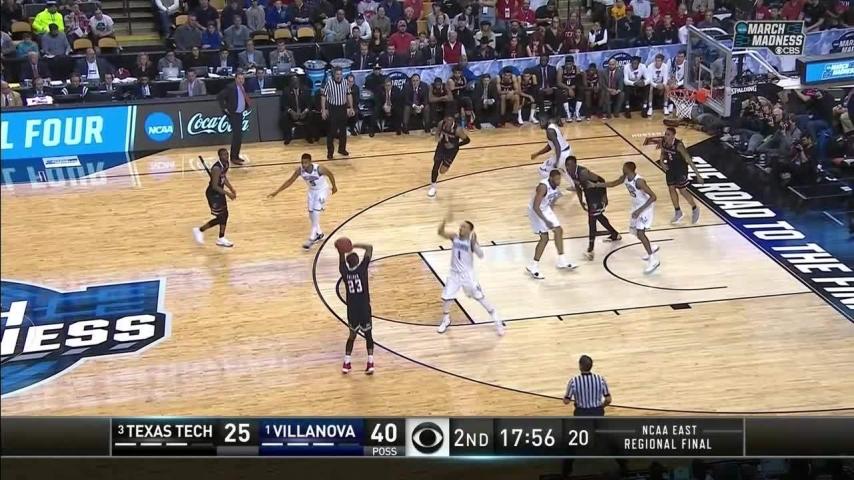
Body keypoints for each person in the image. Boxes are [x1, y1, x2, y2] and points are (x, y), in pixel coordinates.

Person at [435, 217, 503, 336]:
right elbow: (440, 232)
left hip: (467, 275)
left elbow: (481, 255)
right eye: (460, 226)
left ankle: (497, 319)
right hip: (454, 274)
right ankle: (446, 320)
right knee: (447, 297)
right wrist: (444, 221)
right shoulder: (454, 237)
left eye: (464, 227)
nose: (460, 228)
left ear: (470, 230)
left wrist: (475, 244)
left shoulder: (471, 242)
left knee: (479, 297)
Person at [267, 153, 338, 249]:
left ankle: (312, 238)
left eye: (306, 163)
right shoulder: (300, 170)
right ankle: (319, 233)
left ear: (310, 162)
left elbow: (330, 174)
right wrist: (277, 192)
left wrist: (334, 187)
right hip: (312, 191)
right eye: (302, 162)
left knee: (316, 212)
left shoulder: (319, 169)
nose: (304, 165)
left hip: (322, 190)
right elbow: (290, 181)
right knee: (311, 214)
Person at [600, 161, 660, 273]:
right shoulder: (625, 177)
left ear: (629, 169)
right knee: (635, 231)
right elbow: (613, 184)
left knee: (640, 233)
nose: (622, 169)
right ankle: (650, 247)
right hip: (636, 206)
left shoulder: (639, 181)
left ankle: (653, 260)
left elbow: (653, 197)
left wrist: (639, 210)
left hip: (645, 207)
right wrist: (596, 185)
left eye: (624, 167)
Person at [527, 169, 576, 279]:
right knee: (544, 238)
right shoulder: (543, 187)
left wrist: (551, 217)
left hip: (545, 209)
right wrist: (546, 221)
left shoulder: (556, 189)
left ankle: (561, 260)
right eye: (556, 179)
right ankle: (533, 266)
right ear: (550, 178)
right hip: (535, 211)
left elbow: (551, 202)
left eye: (559, 179)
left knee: (559, 230)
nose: (559, 181)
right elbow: (535, 207)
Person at [338, 241, 375, 374]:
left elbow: (341, 256)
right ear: (358, 261)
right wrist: (354, 245)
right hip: (364, 308)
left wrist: (342, 249)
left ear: (348, 263)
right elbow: (369, 247)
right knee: (368, 335)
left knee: (352, 336)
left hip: (352, 310)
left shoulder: (344, 272)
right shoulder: (362, 269)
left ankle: (346, 363)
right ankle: (370, 363)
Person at [193, 148, 237, 248]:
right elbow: (214, 186)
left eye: (227, 154)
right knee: (220, 217)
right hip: (213, 194)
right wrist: (228, 194)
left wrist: (231, 188)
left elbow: (223, 177)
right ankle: (199, 230)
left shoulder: (226, 164)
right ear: (219, 156)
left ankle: (221, 238)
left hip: (220, 192)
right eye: (224, 155)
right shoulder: (216, 168)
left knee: (225, 215)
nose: (226, 156)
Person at [660, 126, 702, 224]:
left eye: (668, 134)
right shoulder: (663, 142)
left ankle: (695, 208)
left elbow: (688, 159)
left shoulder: (679, 145)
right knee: (671, 189)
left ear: (673, 136)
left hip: (681, 169)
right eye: (665, 134)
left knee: (682, 190)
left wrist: (698, 175)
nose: (666, 136)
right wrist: (662, 162)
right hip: (670, 168)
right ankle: (678, 212)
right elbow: (662, 153)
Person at [427, 114, 470, 197]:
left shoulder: (458, 130)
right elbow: (437, 132)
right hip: (441, 146)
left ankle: (446, 165)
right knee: (436, 164)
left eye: (450, 120)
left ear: (453, 120)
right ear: (445, 119)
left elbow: (467, 140)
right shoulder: (441, 123)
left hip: (452, 151)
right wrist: (437, 138)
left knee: (442, 171)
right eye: (447, 119)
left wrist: (454, 145)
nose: (448, 121)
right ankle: (433, 187)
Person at [320, 67, 354, 160]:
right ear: (334, 75)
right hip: (333, 108)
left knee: (343, 131)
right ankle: (330, 152)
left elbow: (349, 95)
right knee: (332, 132)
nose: (339, 76)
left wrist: (351, 107)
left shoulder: (345, 82)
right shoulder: (329, 83)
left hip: (342, 108)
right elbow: (323, 96)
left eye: (340, 74)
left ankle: (342, 149)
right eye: (337, 74)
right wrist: (323, 110)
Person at [216, 72, 250, 165]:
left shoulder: (243, 87)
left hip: (240, 113)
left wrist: (245, 107)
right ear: (235, 79)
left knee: (239, 135)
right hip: (233, 114)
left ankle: (236, 155)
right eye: (239, 78)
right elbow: (220, 97)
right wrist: (224, 108)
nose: (241, 80)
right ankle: (233, 157)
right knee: (237, 135)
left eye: (242, 79)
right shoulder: (231, 87)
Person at [531, 116, 574, 184]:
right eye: (540, 122)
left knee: (543, 169)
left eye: (541, 121)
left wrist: (557, 161)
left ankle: (551, 187)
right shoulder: (552, 126)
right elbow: (550, 146)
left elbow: (557, 146)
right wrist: (537, 154)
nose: (540, 124)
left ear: (546, 121)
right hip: (567, 150)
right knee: (563, 171)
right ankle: (575, 186)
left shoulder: (550, 131)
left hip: (562, 153)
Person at [281, 76, 318, 144]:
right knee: (284, 116)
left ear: (299, 82)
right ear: (291, 83)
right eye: (294, 82)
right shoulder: (286, 91)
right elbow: (284, 104)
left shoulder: (306, 90)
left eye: (297, 82)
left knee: (311, 114)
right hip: (292, 113)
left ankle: (309, 136)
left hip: (303, 112)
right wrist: (291, 112)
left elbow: (310, 103)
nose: (296, 83)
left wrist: (305, 111)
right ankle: (288, 137)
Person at [558, 55, 583, 122]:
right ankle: (568, 114)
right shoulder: (561, 69)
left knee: (581, 89)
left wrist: (572, 89)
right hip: (565, 87)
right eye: (567, 64)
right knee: (562, 92)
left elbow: (578, 82)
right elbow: (559, 83)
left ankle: (576, 113)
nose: (568, 65)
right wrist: (569, 89)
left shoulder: (576, 69)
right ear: (565, 63)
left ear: (573, 63)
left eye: (570, 64)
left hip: (574, 87)